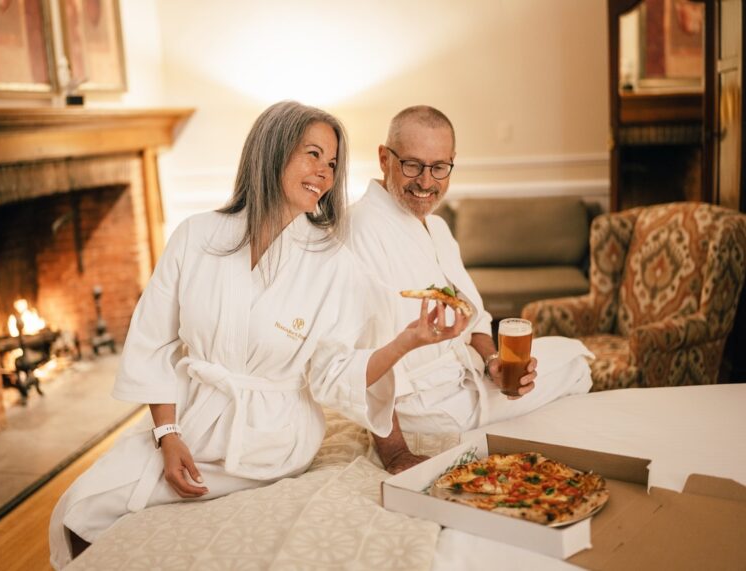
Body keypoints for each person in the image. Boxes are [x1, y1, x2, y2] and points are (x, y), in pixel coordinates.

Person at [49, 101, 465, 568]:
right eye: (312, 155)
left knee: (101, 507)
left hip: (274, 438)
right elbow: (154, 342)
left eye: (331, 164)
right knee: (77, 509)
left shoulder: (333, 262)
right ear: (272, 151)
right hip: (191, 421)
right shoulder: (196, 236)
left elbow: (334, 374)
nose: (324, 174)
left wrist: (407, 340)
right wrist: (167, 435)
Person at [347, 105, 593, 474]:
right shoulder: (362, 229)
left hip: (469, 380)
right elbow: (364, 352)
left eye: (439, 167)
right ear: (384, 158)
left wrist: (494, 364)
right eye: (412, 165)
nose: (426, 182)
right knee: (577, 364)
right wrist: (396, 452)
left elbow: (477, 318)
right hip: (425, 408)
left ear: (452, 163)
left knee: (569, 353)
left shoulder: (438, 229)